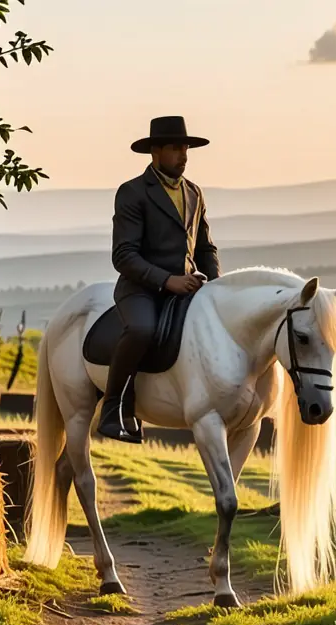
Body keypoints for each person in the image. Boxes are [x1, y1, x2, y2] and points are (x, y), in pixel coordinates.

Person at [100, 116, 221, 443]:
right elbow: (123, 255)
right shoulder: (132, 193)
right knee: (142, 329)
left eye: (185, 148)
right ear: (155, 152)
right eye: (175, 148)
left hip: (187, 287)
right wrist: (168, 281)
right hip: (141, 289)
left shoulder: (195, 193)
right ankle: (114, 408)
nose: (183, 154)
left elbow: (205, 247)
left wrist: (217, 286)